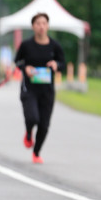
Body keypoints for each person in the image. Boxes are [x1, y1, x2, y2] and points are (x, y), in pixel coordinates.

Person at [14, 12, 65, 164]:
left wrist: (56, 65)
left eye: (44, 23)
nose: (41, 26)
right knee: (32, 117)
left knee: (44, 124)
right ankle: (29, 132)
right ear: (33, 26)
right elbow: (17, 61)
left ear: (48, 26)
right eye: (38, 23)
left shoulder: (55, 46)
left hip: (47, 90)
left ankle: (36, 152)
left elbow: (62, 63)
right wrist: (26, 68)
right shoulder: (26, 45)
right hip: (29, 88)